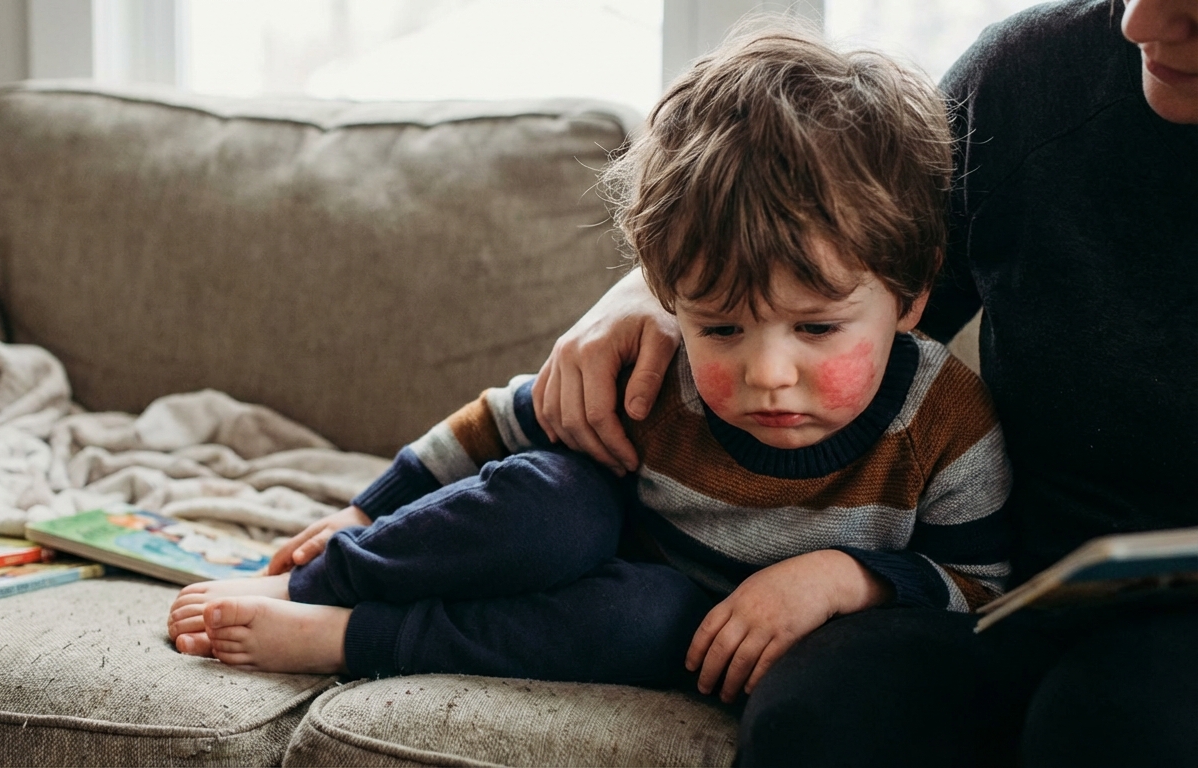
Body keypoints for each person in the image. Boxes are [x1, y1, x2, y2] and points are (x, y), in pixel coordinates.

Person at [164, 25, 1013, 697]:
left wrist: (843, 579)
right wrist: (362, 517)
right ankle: (324, 586)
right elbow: (502, 420)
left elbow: (980, 584)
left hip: (672, 622)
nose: (766, 373)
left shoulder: (947, 422)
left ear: (909, 297)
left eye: (817, 330)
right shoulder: (659, 371)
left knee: (649, 619)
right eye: (720, 330)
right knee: (549, 501)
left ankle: (353, 638)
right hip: (597, 536)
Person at [532, 0, 1198, 764]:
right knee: (818, 712)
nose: (1138, 23)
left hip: (1166, 638)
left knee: (1122, 723)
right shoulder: (1029, 81)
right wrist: (649, 297)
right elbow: (848, 259)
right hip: (1005, 595)